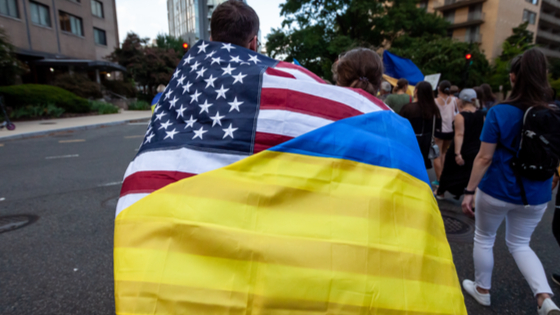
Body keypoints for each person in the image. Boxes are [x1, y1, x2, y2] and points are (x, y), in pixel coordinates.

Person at [461, 49, 560, 314]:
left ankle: (483, 290)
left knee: (484, 237)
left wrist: (469, 190)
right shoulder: (554, 112)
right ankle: (544, 297)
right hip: (537, 193)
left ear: (514, 78)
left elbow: (483, 158)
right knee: (520, 243)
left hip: (497, 189)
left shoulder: (499, 112)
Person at [436, 88, 484, 200]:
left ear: (461, 101)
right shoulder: (482, 115)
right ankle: (471, 197)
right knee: (469, 173)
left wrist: (457, 153)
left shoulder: (460, 116)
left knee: (448, 171)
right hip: (475, 149)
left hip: (461, 148)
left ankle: (441, 192)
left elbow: (459, 135)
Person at [400, 81, 442, 169]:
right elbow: (438, 127)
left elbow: (399, 127)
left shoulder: (408, 108)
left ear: (416, 91)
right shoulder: (434, 110)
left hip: (410, 144)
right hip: (426, 144)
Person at [433, 80, 458, 187]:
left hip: (439, 131)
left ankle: (440, 179)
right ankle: (443, 177)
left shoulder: (436, 101)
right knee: (444, 153)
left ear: (439, 89)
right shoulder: (454, 100)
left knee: (436, 155)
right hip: (450, 131)